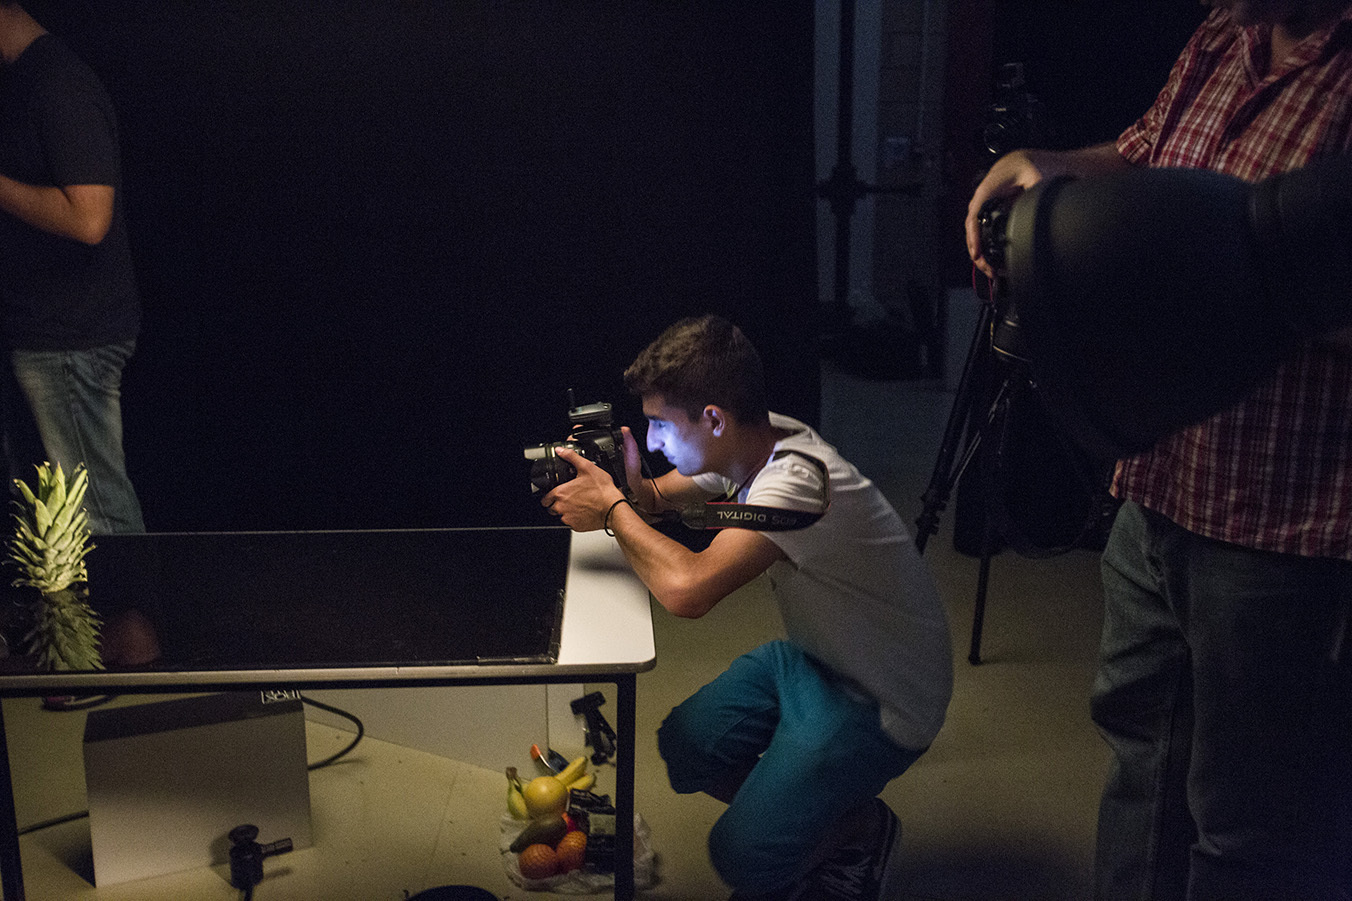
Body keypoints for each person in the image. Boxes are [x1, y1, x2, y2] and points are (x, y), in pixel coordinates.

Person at [966, 2, 1352, 898]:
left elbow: (1218, 255)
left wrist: (1239, 284)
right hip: (1164, 486)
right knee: (1143, 767)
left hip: (1292, 530)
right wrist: (1058, 166)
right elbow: (1146, 156)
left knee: (1256, 827)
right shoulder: (1226, 31)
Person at [542, 315, 953, 900]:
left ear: (714, 419)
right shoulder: (755, 440)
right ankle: (814, 816)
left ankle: (857, 831)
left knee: (740, 856)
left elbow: (687, 591)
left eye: (661, 425)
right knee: (685, 746)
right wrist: (628, 489)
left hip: (883, 696)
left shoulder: (799, 484)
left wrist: (611, 510)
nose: (653, 441)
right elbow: (658, 498)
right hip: (816, 658)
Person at [0, 0, 144, 534]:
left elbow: (89, 219)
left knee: (99, 516)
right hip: (41, 335)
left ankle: (130, 595)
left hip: (69, 339)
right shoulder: (24, 82)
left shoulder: (58, 84)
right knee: (51, 526)